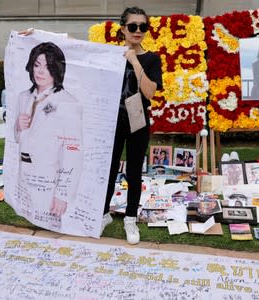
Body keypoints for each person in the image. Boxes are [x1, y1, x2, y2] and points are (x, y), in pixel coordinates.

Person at [101, 6, 163, 244]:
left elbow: (150, 92)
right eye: (133, 26)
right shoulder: (110, 55)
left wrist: (135, 62)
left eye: (143, 27)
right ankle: (103, 214)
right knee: (108, 169)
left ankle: (130, 219)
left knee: (134, 171)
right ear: (123, 28)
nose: (138, 31)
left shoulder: (151, 58)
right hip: (112, 120)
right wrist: (35, 36)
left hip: (138, 120)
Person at [14, 42, 83, 229]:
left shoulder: (68, 103)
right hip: (26, 176)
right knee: (29, 225)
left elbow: (72, 152)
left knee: (51, 230)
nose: (40, 72)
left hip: (50, 180)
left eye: (47, 66)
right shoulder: (23, 97)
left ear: (57, 70)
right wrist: (18, 127)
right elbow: (19, 139)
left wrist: (62, 194)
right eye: (37, 65)